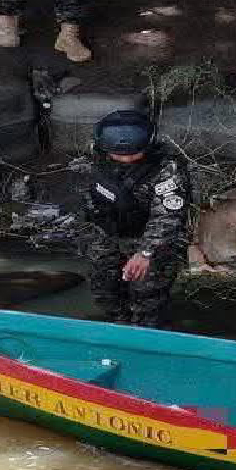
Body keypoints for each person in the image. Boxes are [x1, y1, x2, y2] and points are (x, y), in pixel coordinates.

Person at [79, 110, 192, 329]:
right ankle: (119, 327)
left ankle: (147, 336)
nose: (126, 160)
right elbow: (88, 191)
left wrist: (145, 252)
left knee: (147, 300)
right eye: (119, 155)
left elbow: (168, 215)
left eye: (134, 155)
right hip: (106, 236)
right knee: (105, 292)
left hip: (151, 241)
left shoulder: (167, 169)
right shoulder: (96, 155)